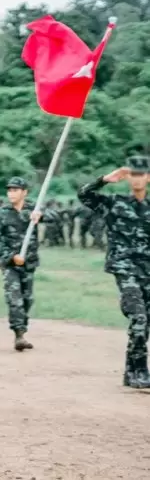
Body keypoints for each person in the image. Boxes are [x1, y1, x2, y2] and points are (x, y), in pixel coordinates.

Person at [78, 154, 150, 388]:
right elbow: (84, 196)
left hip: (147, 269)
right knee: (138, 316)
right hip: (124, 266)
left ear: (148, 178)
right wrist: (104, 180)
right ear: (128, 178)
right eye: (133, 175)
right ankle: (140, 370)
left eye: (141, 175)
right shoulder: (115, 203)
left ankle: (131, 372)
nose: (137, 179)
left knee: (144, 322)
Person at [0, 177, 43, 351]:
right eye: (9, 190)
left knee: (27, 299)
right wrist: (12, 256)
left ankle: (22, 328)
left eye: (15, 190)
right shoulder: (1, 213)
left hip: (29, 263)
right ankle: (19, 334)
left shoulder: (33, 209)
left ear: (24, 192)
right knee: (15, 299)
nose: (11, 193)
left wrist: (40, 216)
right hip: (11, 264)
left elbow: (54, 216)